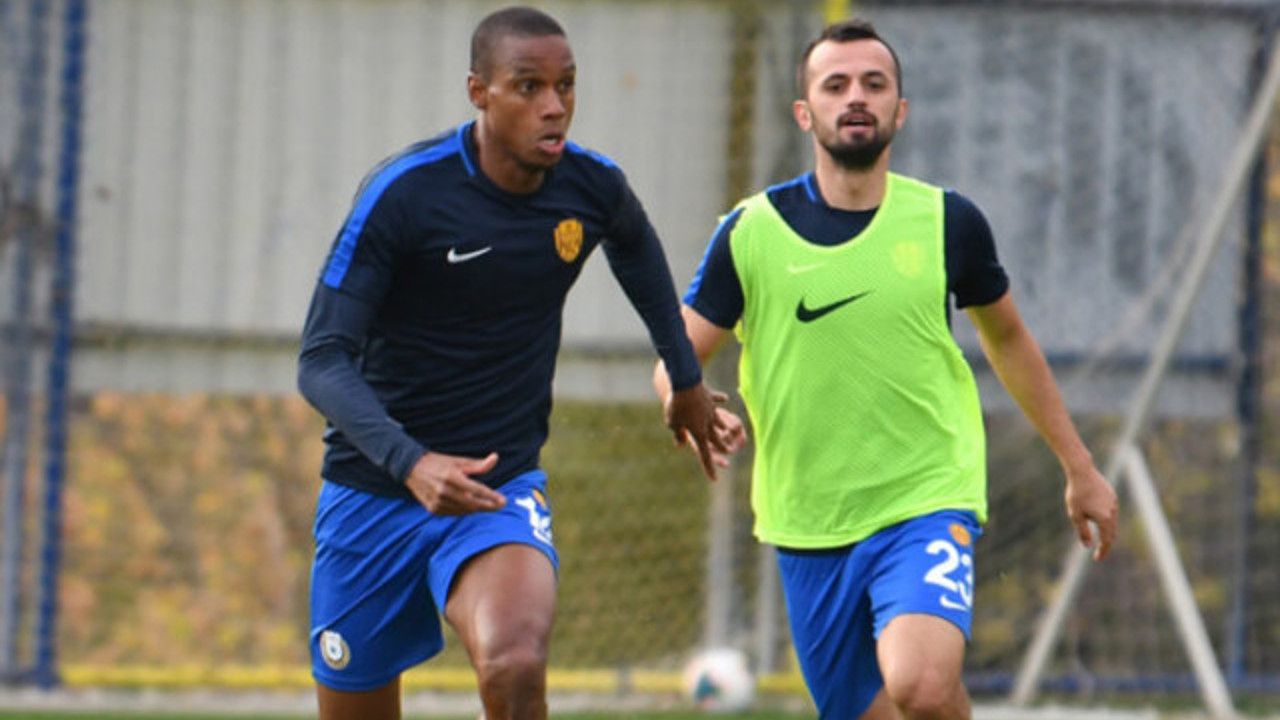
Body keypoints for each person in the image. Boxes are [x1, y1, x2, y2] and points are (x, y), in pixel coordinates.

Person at [654, 18, 1119, 720]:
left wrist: (1079, 466)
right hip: (808, 522)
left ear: (899, 111)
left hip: (925, 497)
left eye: (874, 84)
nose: (855, 97)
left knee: (920, 684)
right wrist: (686, 399)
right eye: (835, 85)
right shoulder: (750, 232)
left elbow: (1009, 339)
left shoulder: (948, 222)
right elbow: (676, 361)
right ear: (805, 113)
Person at [296, 7, 732, 720]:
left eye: (566, 85)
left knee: (516, 663)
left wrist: (684, 377)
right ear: (479, 92)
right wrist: (411, 462)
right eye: (529, 86)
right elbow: (320, 361)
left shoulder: (591, 186)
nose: (554, 105)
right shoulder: (405, 195)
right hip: (371, 492)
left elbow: (635, 246)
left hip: (497, 490)